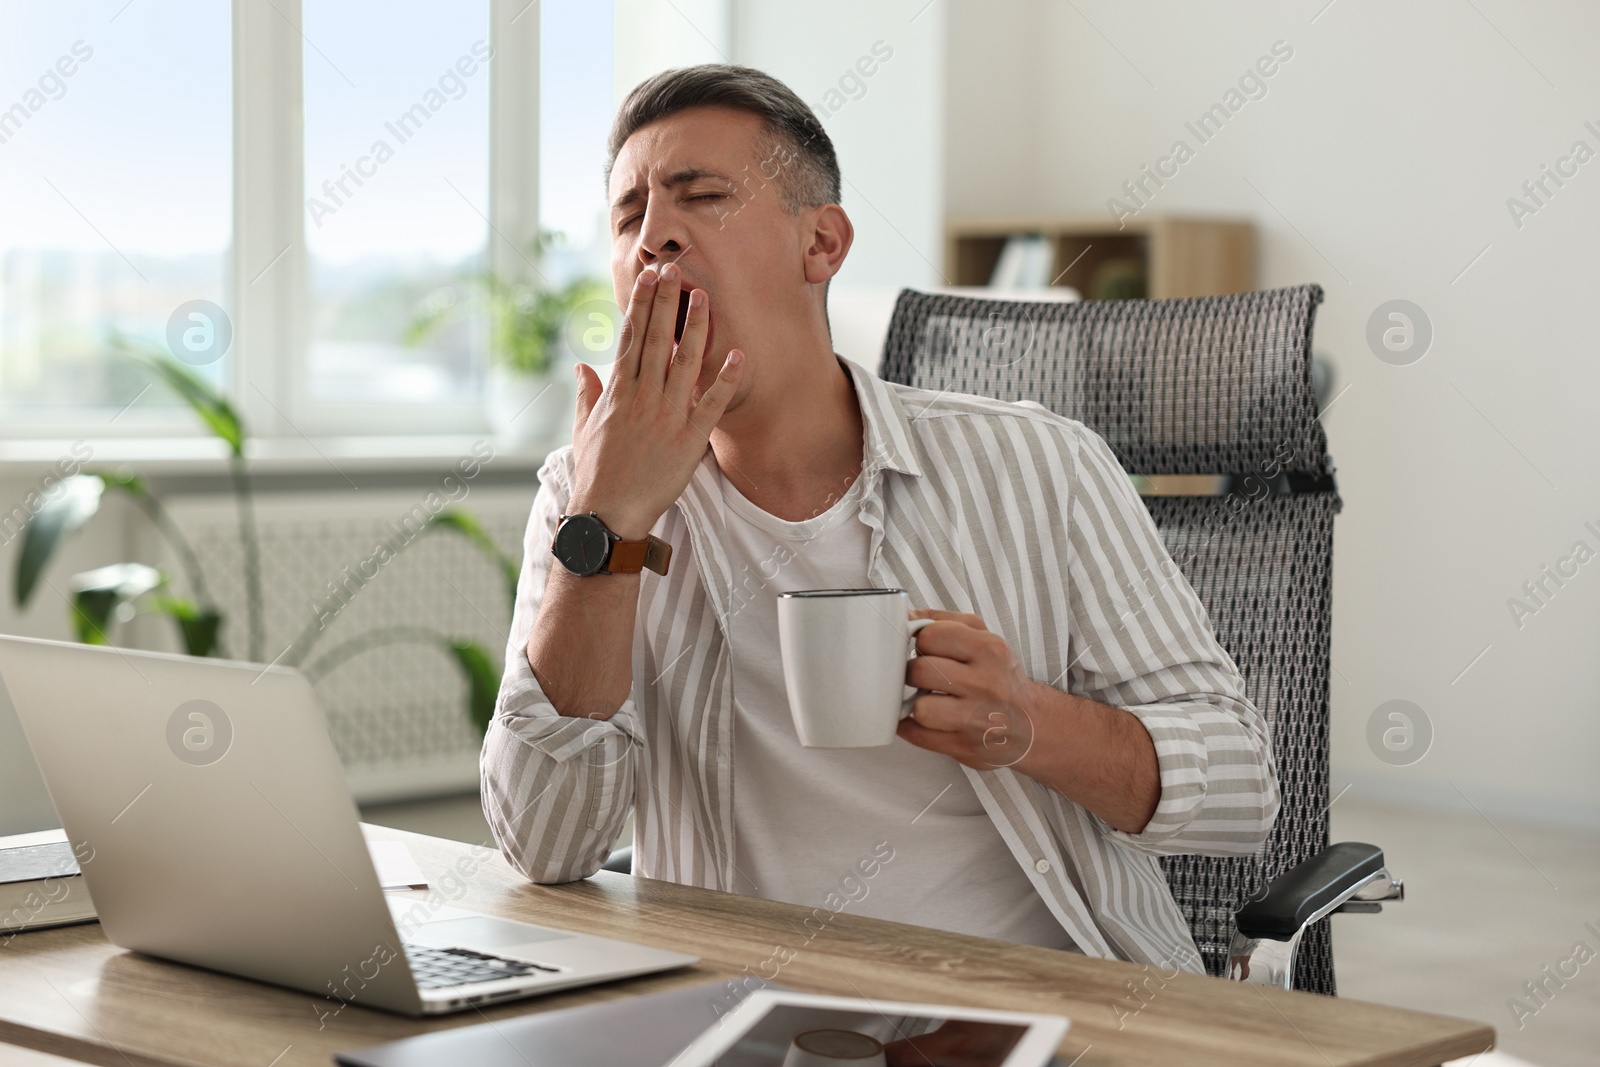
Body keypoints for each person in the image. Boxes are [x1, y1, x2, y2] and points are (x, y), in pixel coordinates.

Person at [481, 64, 1279, 972]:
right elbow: (543, 845)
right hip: (741, 1014)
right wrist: (608, 528)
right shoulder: (581, 497)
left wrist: (1023, 721)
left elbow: (1243, 790)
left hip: (1029, 1012)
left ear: (822, 243)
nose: (656, 234)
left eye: (701, 197)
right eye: (629, 218)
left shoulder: (1040, 466)